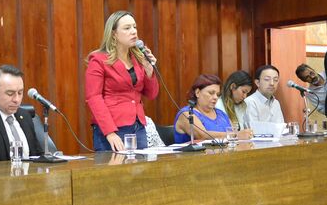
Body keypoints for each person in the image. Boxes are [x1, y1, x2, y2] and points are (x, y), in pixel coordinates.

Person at [85, 10, 159, 151]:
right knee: (114, 165)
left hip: (138, 126)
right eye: (127, 28)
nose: (133, 31)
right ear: (114, 34)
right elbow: (94, 98)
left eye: (134, 27)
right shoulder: (99, 60)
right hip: (113, 128)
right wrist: (110, 132)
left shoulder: (138, 58)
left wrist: (149, 70)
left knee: (141, 166)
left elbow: (151, 94)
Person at [174, 74, 247, 143]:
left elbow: (234, 133)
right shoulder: (187, 114)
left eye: (218, 94)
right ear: (197, 92)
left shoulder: (221, 114)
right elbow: (202, 136)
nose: (215, 97)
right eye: (211, 93)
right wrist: (236, 135)